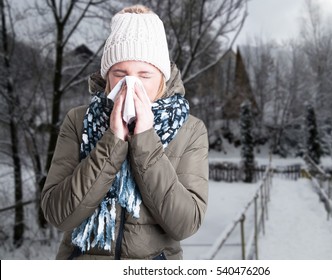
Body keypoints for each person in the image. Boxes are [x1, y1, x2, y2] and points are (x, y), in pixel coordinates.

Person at [41, 5, 208, 260]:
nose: (131, 85)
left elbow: (185, 223)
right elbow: (57, 214)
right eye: (120, 74)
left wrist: (144, 140)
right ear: (107, 76)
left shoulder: (190, 130)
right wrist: (113, 141)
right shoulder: (78, 121)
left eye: (144, 75)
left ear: (162, 78)